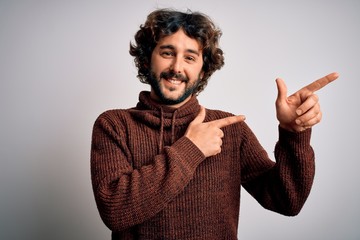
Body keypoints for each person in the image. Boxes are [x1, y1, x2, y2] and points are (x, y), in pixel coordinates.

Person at [90, 8, 338, 239]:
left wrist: (293, 133)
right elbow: (115, 211)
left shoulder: (229, 128)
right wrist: (191, 149)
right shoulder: (114, 125)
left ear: (203, 70)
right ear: (147, 60)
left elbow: (287, 201)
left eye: (190, 57)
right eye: (167, 53)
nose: (177, 67)